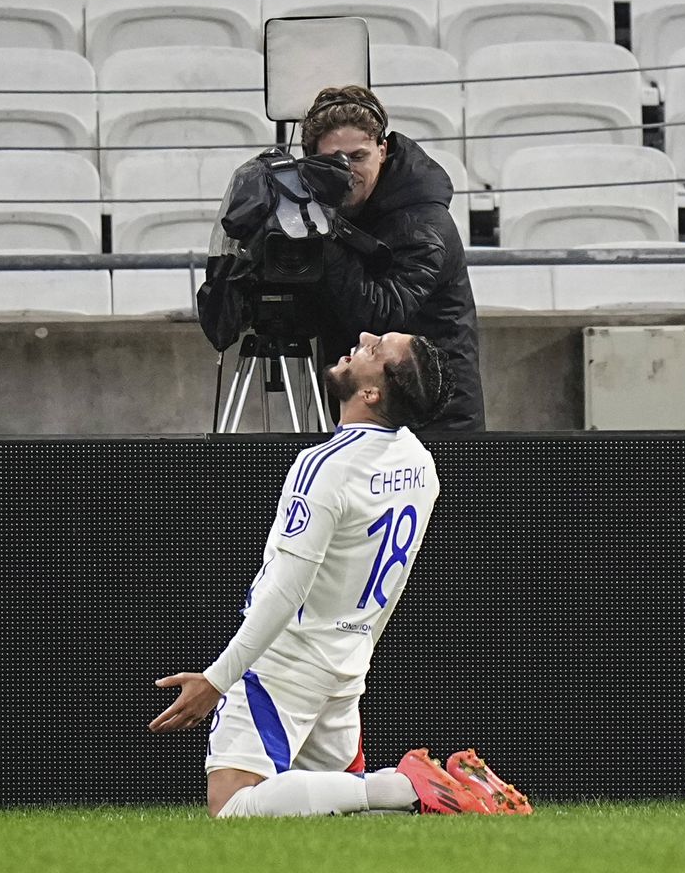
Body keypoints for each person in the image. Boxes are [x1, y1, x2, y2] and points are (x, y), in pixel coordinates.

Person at [149, 331, 528, 818]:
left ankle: (404, 785)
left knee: (233, 807)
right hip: (344, 665)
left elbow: (286, 591)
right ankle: (456, 796)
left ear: (371, 394)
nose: (364, 338)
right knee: (347, 816)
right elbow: (395, 585)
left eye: (375, 349)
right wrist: (357, 656)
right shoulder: (420, 463)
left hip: (285, 663)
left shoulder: (324, 465)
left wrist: (217, 679)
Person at [302, 85, 485, 431]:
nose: (347, 173)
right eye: (331, 162)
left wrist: (325, 238)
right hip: (365, 411)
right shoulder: (328, 212)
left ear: (382, 151)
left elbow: (381, 314)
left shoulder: (424, 222)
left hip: (434, 421)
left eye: (358, 157)